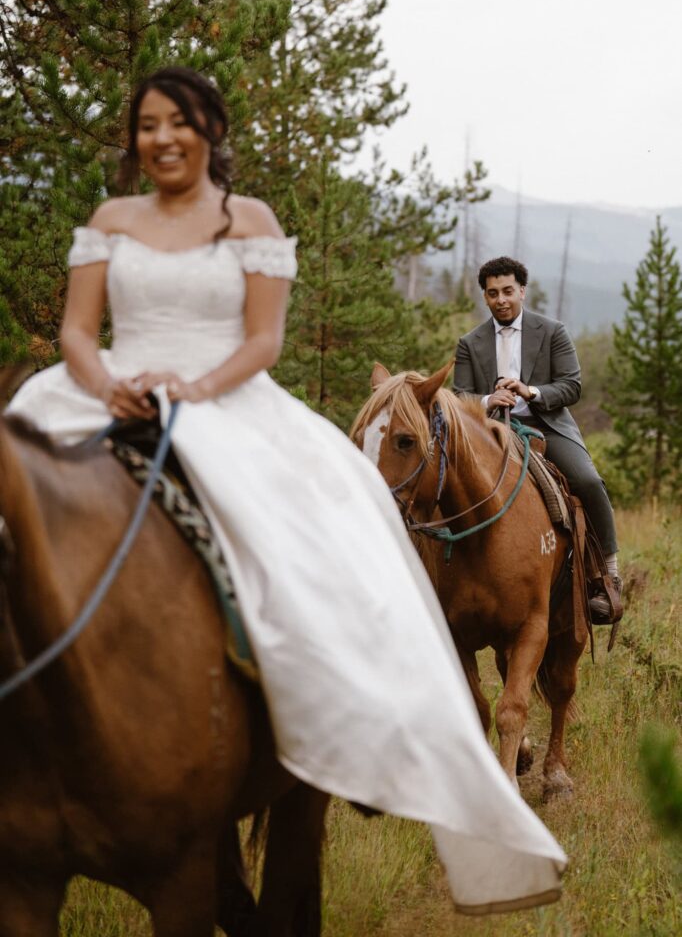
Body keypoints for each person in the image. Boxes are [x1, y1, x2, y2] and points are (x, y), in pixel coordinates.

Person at [7, 67, 567, 914]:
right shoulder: (111, 220)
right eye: (147, 124)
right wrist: (103, 381)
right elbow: (77, 333)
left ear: (210, 131)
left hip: (222, 390)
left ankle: (350, 704)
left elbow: (263, 340)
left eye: (180, 123)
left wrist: (194, 389)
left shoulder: (251, 222)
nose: (161, 138)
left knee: (323, 527)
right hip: (109, 387)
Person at [453, 256, 622, 623]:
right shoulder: (470, 342)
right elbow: (460, 394)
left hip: (547, 426)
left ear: (522, 292)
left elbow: (572, 386)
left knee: (589, 481)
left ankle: (608, 574)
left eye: (508, 291)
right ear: (485, 297)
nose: (502, 300)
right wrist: (487, 401)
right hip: (491, 429)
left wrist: (529, 391)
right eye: (493, 293)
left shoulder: (552, 331)